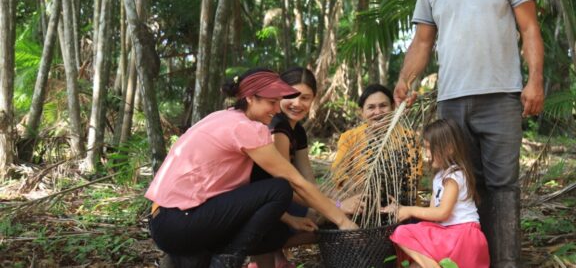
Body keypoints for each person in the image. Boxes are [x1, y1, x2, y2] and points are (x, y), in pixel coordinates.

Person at [393, 0, 545, 267]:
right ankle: (468, 260)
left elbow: (529, 28)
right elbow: (422, 43)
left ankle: (505, 262)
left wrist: (535, 80)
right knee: (461, 182)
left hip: (501, 96)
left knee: (502, 184)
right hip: (453, 101)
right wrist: (404, 80)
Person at [145, 68, 357, 268]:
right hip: (179, 221)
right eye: (271, 102)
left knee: (273, 232)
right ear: (249, 98)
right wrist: (342, 220)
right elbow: (295, 182)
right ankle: (226, 261)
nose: (277, 109)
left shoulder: (223, 116)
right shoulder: (247, 128)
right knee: (280, 188)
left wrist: (291, 219)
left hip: (166, 220)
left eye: (278, 102)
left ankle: (201, 258)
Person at [382, 119, 489, 268]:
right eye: (425, 148)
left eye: (430, 148)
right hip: (448, 236)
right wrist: (401, 208)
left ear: (449, 148)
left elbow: (442, 213)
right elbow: (432, 212)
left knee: (402, 233)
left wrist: (409, 210)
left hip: (462, 237)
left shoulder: (454, 176)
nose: (427, 154)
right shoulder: (439, 176)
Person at [248, 67, 319, 268]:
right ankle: (260, 260)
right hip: (260, 202)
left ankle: (278, 259)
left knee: (319, 215)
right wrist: (333, 207)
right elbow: (285, 182)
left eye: (305, 98)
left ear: (313, 100)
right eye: (290, 95)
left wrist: (320, 204)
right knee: (322, 218)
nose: (297, 103)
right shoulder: (277, 125)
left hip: (276, 200)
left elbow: (307, 176)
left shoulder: (298, 130)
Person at [331, 84, 422, 206]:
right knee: (332, 200)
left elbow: (413, 177)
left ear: (393, 107)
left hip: (400, 205)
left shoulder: (408, 137)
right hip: (359, 202)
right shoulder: (350, 138)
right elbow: (339, 173)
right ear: (361, 112)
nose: (378, 112)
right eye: (371, 107)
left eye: (383, 106)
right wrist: (362, 193)